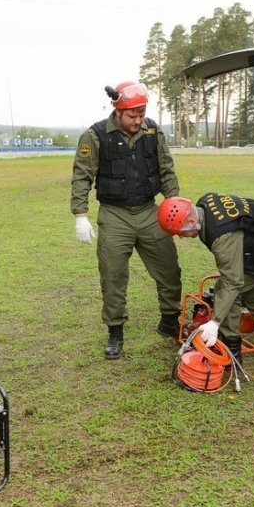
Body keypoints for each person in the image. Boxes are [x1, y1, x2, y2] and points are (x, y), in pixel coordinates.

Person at [71, 81, 182, 360]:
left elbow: (166, 169)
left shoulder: (152, 131)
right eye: (132, 115)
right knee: (113, 276)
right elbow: (82, 175)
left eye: (141, 113)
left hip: (149, 211)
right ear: (117, 110)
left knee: (169, 269)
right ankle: (115, 332)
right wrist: (80, 215)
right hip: (114, 215)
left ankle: (169, 320)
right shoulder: (95, 136)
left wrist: (175, 204)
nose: (137, 120)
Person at [157, 193, 254, 365]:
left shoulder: (222, 236)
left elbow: (232, 282)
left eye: (180, 232)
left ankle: (231, 352)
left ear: (191, 221)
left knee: (225, 290)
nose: (181, 237)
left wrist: (215, 323)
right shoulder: (204, 205)